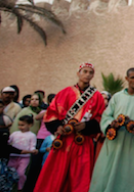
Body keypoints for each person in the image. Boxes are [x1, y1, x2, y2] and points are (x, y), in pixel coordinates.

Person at [34, 63, 106, 192]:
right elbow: (51, 113)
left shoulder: (97, 97)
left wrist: (87, 126)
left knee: (80, 176)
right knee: (56, 174)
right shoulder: (65, 92)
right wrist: (57, 127)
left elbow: (101, 118)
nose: (87, 74)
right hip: (64, 141)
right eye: (85, 71)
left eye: (90, 72)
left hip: (83, 141)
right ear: (78, 73)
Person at [89, 68, 134, 192]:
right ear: (127, 79)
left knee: (128, 174)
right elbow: (106, 116)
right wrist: (111, 124)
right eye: (133, 77)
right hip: (115, 142)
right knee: (107, 171)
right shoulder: (117, 97)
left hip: (132, 145)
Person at [7, 115, 37, 191]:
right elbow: (8, 142)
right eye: (19, 125)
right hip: (13, 156)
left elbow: (32, 146)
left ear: (30, 125)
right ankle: (9, 186)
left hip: (25, 157)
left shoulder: (32, 135)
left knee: (21, 173)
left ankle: (20, 187)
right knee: (10, 171)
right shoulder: (14, 134)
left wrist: (33, 150)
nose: (20, 127)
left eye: (22, 125)